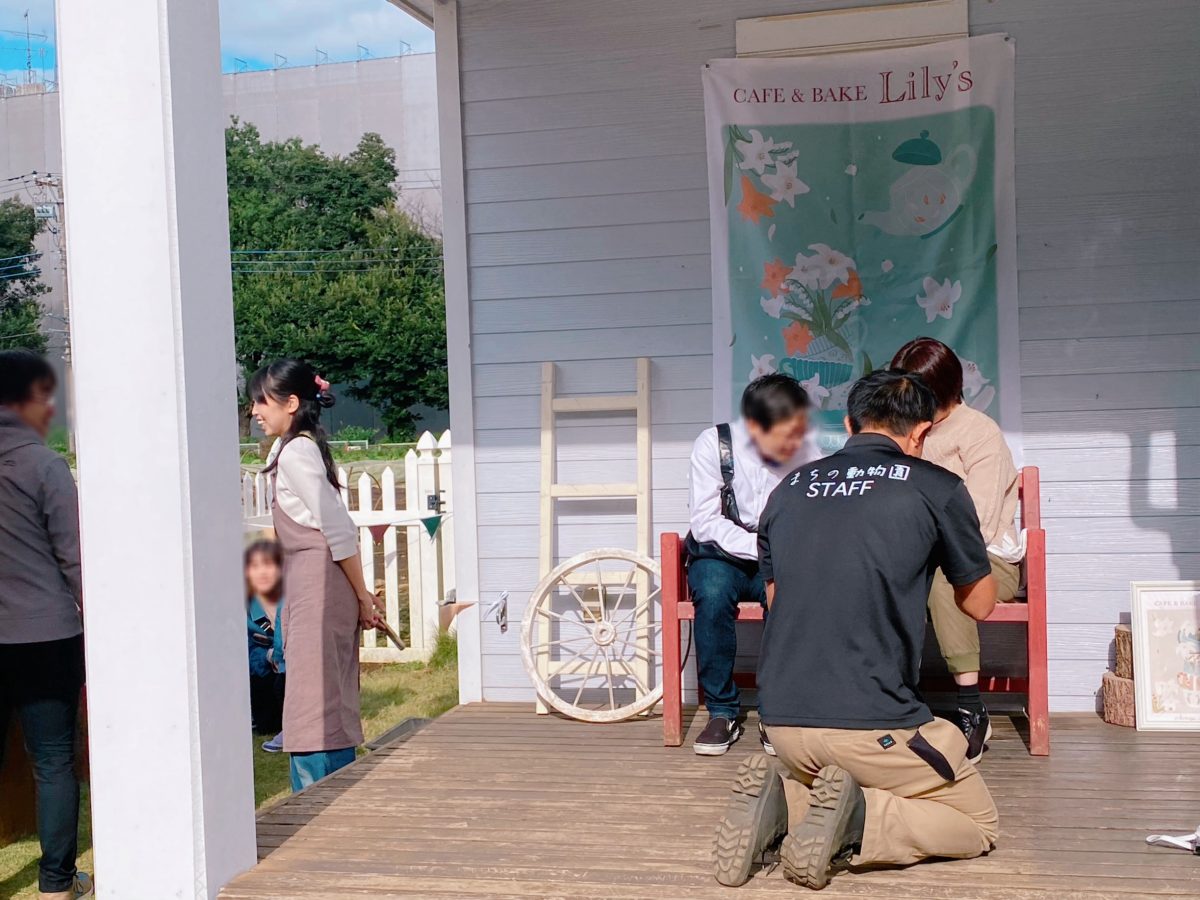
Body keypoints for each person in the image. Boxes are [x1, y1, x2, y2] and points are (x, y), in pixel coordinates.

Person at [713, 369, 999, 890]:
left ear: (849, 423)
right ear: (921, 434)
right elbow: (979, 604)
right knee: (977, 821)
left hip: (782, 727)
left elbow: (777, 600)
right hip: (876, 728)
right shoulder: (937, 487)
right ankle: (858, 821)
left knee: (838, 771)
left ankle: (790, 801)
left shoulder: (789, 489)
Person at [249, 359, 386, 791]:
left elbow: (339, 528)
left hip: (321, 587)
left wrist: (362, 596)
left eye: (261, 401)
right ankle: (326, 799)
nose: (254, 411)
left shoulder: (298, 452)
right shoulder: (289, 448)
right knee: (317, 698)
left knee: (315, 701)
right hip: (311, 584)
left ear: (291, 403)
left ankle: (321, 804)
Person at [891, 337, 1021, 761]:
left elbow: (977, 525)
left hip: (986, 560)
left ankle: (971, 707)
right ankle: (890, 698)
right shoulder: (907, 431)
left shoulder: (980, 433)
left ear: (941, 388)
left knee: (949, 577)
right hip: (916, 553)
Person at [0, 350, 93, 900]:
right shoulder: (43, 466)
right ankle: (58, 883)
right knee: (54, 760)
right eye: (45, 396)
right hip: (44, 635)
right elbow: (76, 558)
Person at [686, 374, 820, 756]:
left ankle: (775, 709)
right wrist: (763, 547)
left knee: (791, 600)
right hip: (720, 552)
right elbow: (706, 522)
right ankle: (721, 710)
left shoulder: (805, 452)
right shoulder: (714, 444)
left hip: (777, 553)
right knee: (711, 595)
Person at [245, 539, 286, 752]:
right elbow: (241, 654)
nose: (262, 573)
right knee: (265, 726)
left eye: (268, 565)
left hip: (290, 669)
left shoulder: (291, 598)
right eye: (255, 566)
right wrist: (267, 656)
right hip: (262, 674)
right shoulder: (243, 606)